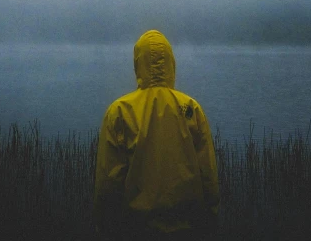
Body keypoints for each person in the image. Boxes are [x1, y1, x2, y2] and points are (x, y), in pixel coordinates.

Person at [94, 29, 219, 240]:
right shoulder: (190, 108)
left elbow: (109, 179)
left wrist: (106, 226)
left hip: (135, 229)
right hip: (187, 228)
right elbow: (207, 173)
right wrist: (211, 219)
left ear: (137, 63)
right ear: (171, 62)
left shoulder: (120, 111)